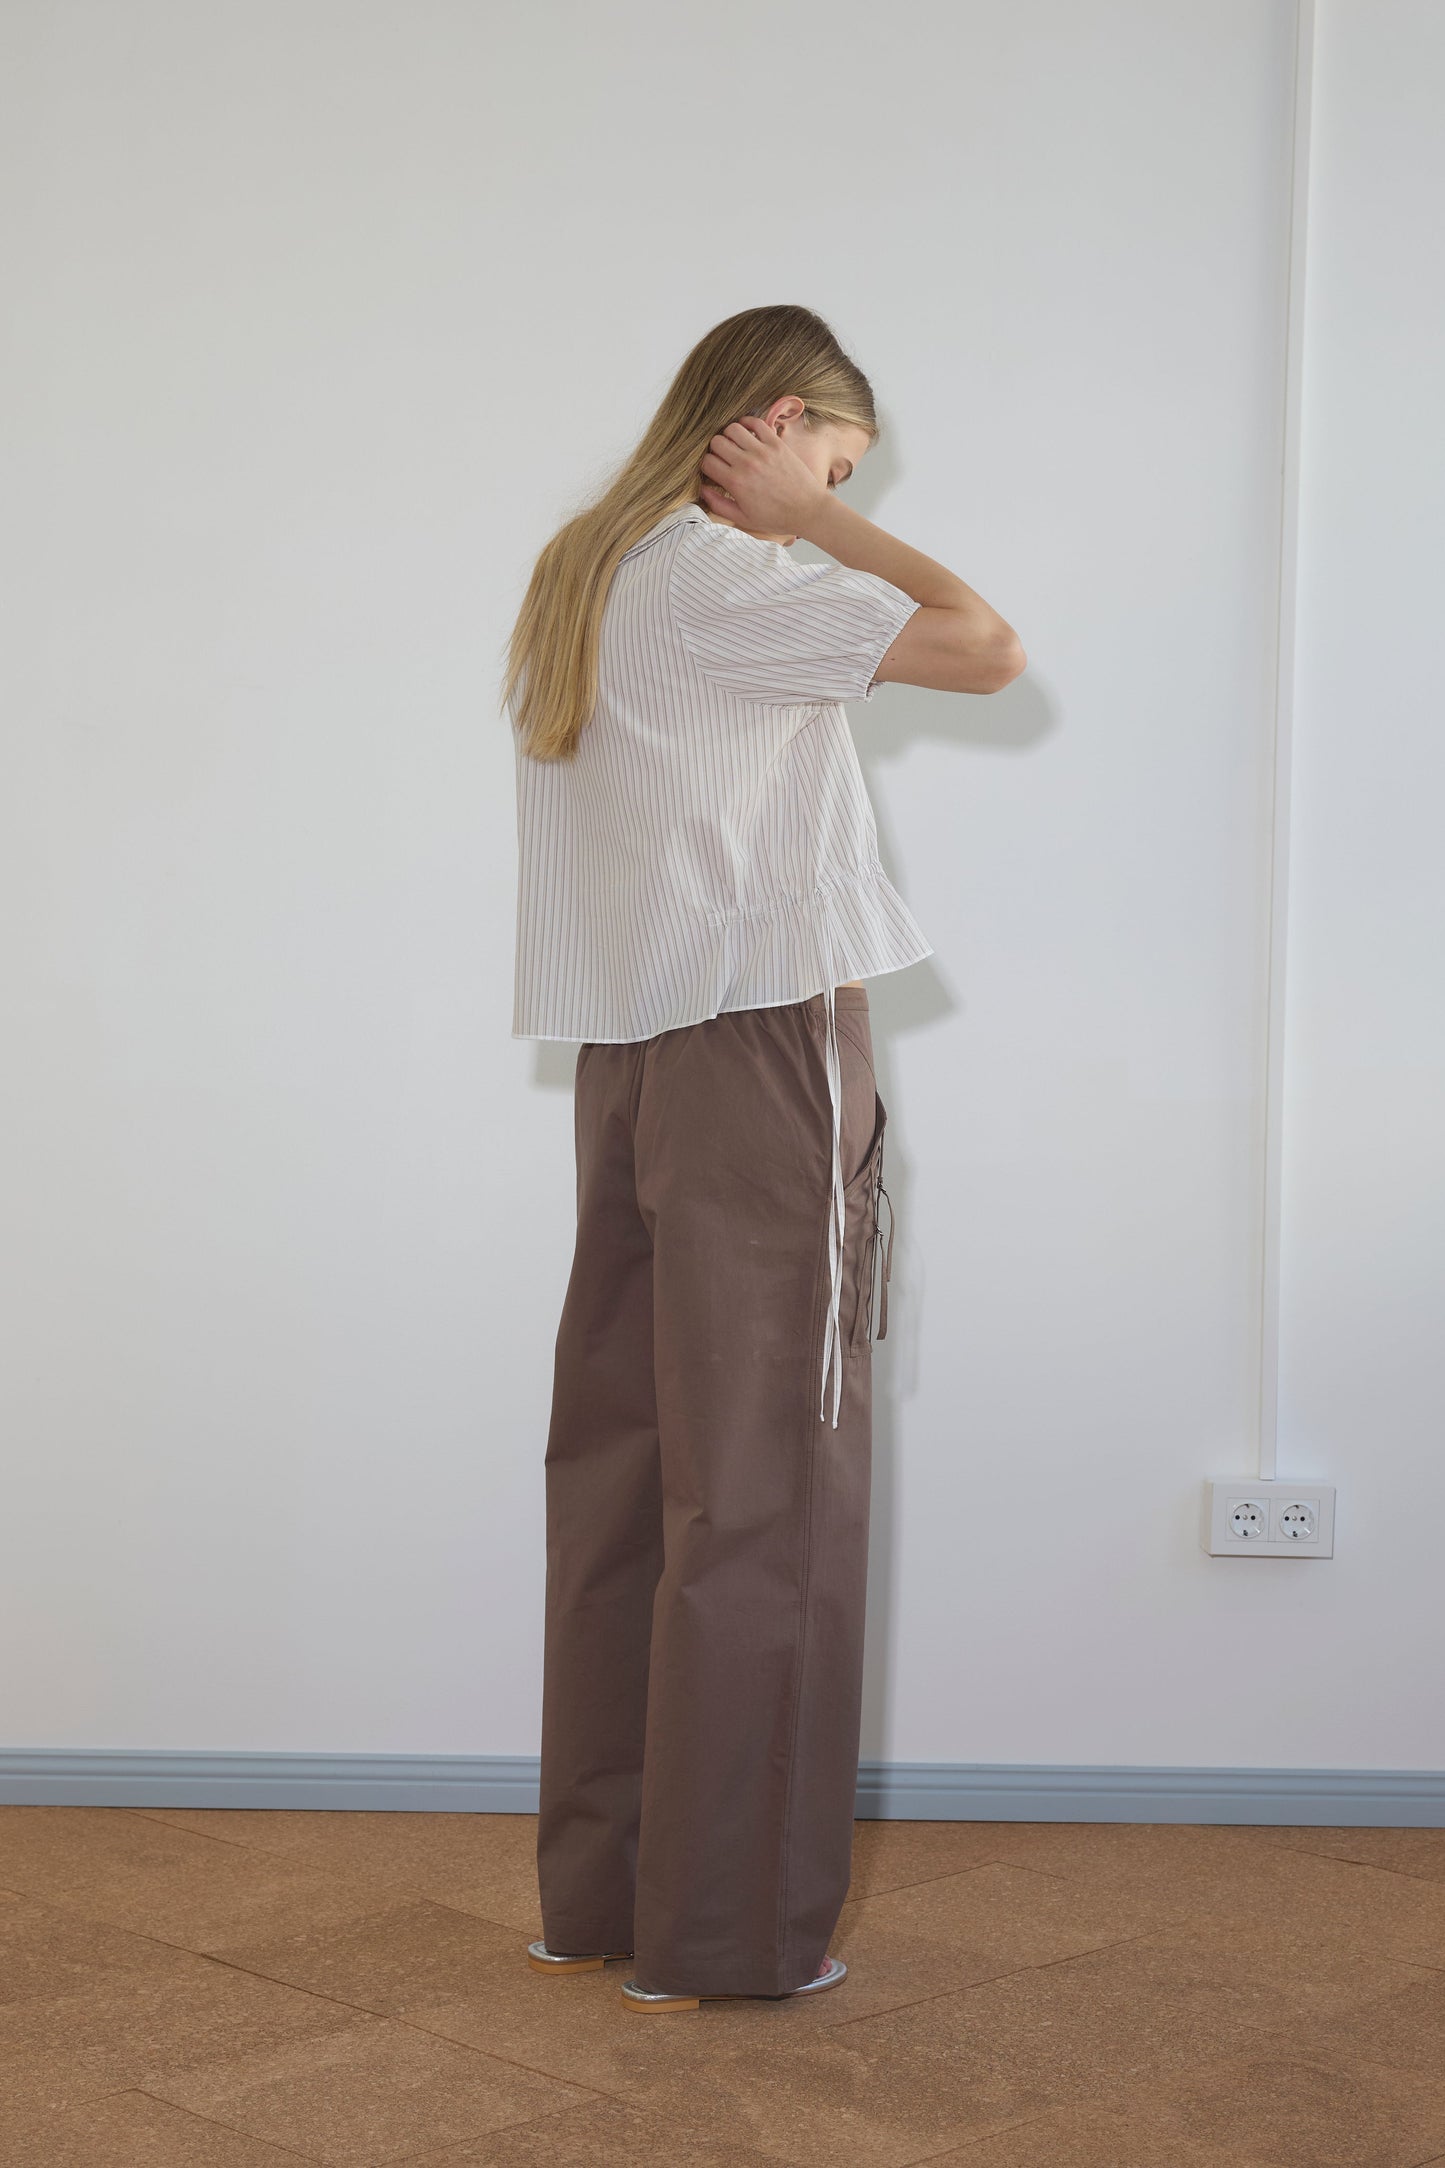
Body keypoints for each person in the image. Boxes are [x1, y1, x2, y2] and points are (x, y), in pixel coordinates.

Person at [503, 304, 1025, 2013]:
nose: (831, 485)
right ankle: (723, 1940)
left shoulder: (591, 565)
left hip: (633, 1057)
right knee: (771, 1487)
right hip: (760, 1052)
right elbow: (983, 643)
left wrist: (799, 509)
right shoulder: (729, 575)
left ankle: (607, 1899)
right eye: (836, 457)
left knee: (630, 1474)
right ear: (780, 422)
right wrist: (821, 525)